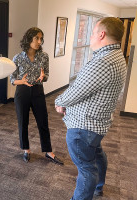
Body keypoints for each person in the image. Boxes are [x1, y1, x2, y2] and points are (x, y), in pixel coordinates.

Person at [55, 17, 127, 200]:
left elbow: (77, 91)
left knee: (86, 169)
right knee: (97, 154)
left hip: (84, 128)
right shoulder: (118, 56)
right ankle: (99, 187)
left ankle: (90, 191)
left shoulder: (103, 61)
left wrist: (60, 101)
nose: (91, 36)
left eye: (93, 32)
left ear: (102, 34)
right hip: (97, 125)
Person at [10, 27, 63, 165]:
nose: (39, 41)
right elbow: (12, 79)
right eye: (36, 38)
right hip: (22, 92)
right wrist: (21, 81)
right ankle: (26, 149)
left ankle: (48, 151)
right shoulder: (18, 58)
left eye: (41, 38)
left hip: (38, 91)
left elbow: (47, 76)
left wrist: (43, 76)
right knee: (23, 122)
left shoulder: (44, 56)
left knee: (43, 121)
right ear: (29, 39)